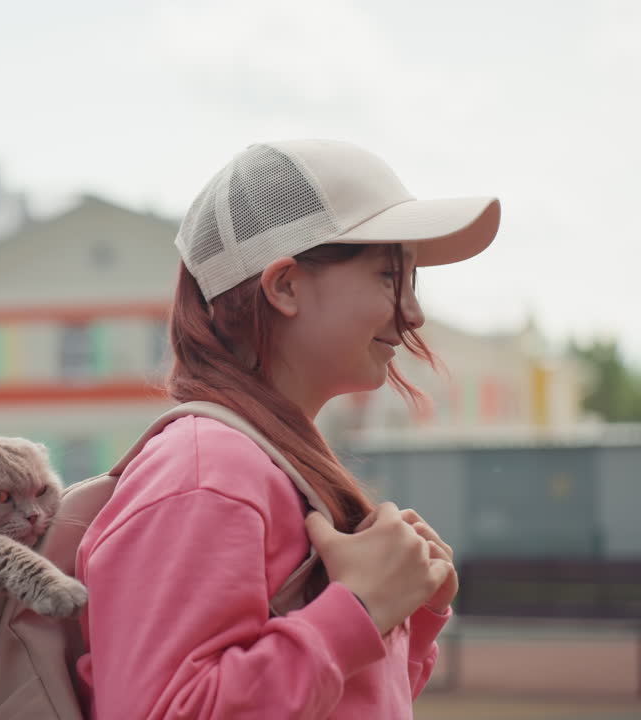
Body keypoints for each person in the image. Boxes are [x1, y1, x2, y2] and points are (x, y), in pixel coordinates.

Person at [74, 139, 500, 719]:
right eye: (387, 275)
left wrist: (407, 610)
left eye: (411, 281)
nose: (413, 311)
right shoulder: (207, 470)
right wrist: (359, 607)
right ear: (285, 286)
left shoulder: (259, 459)